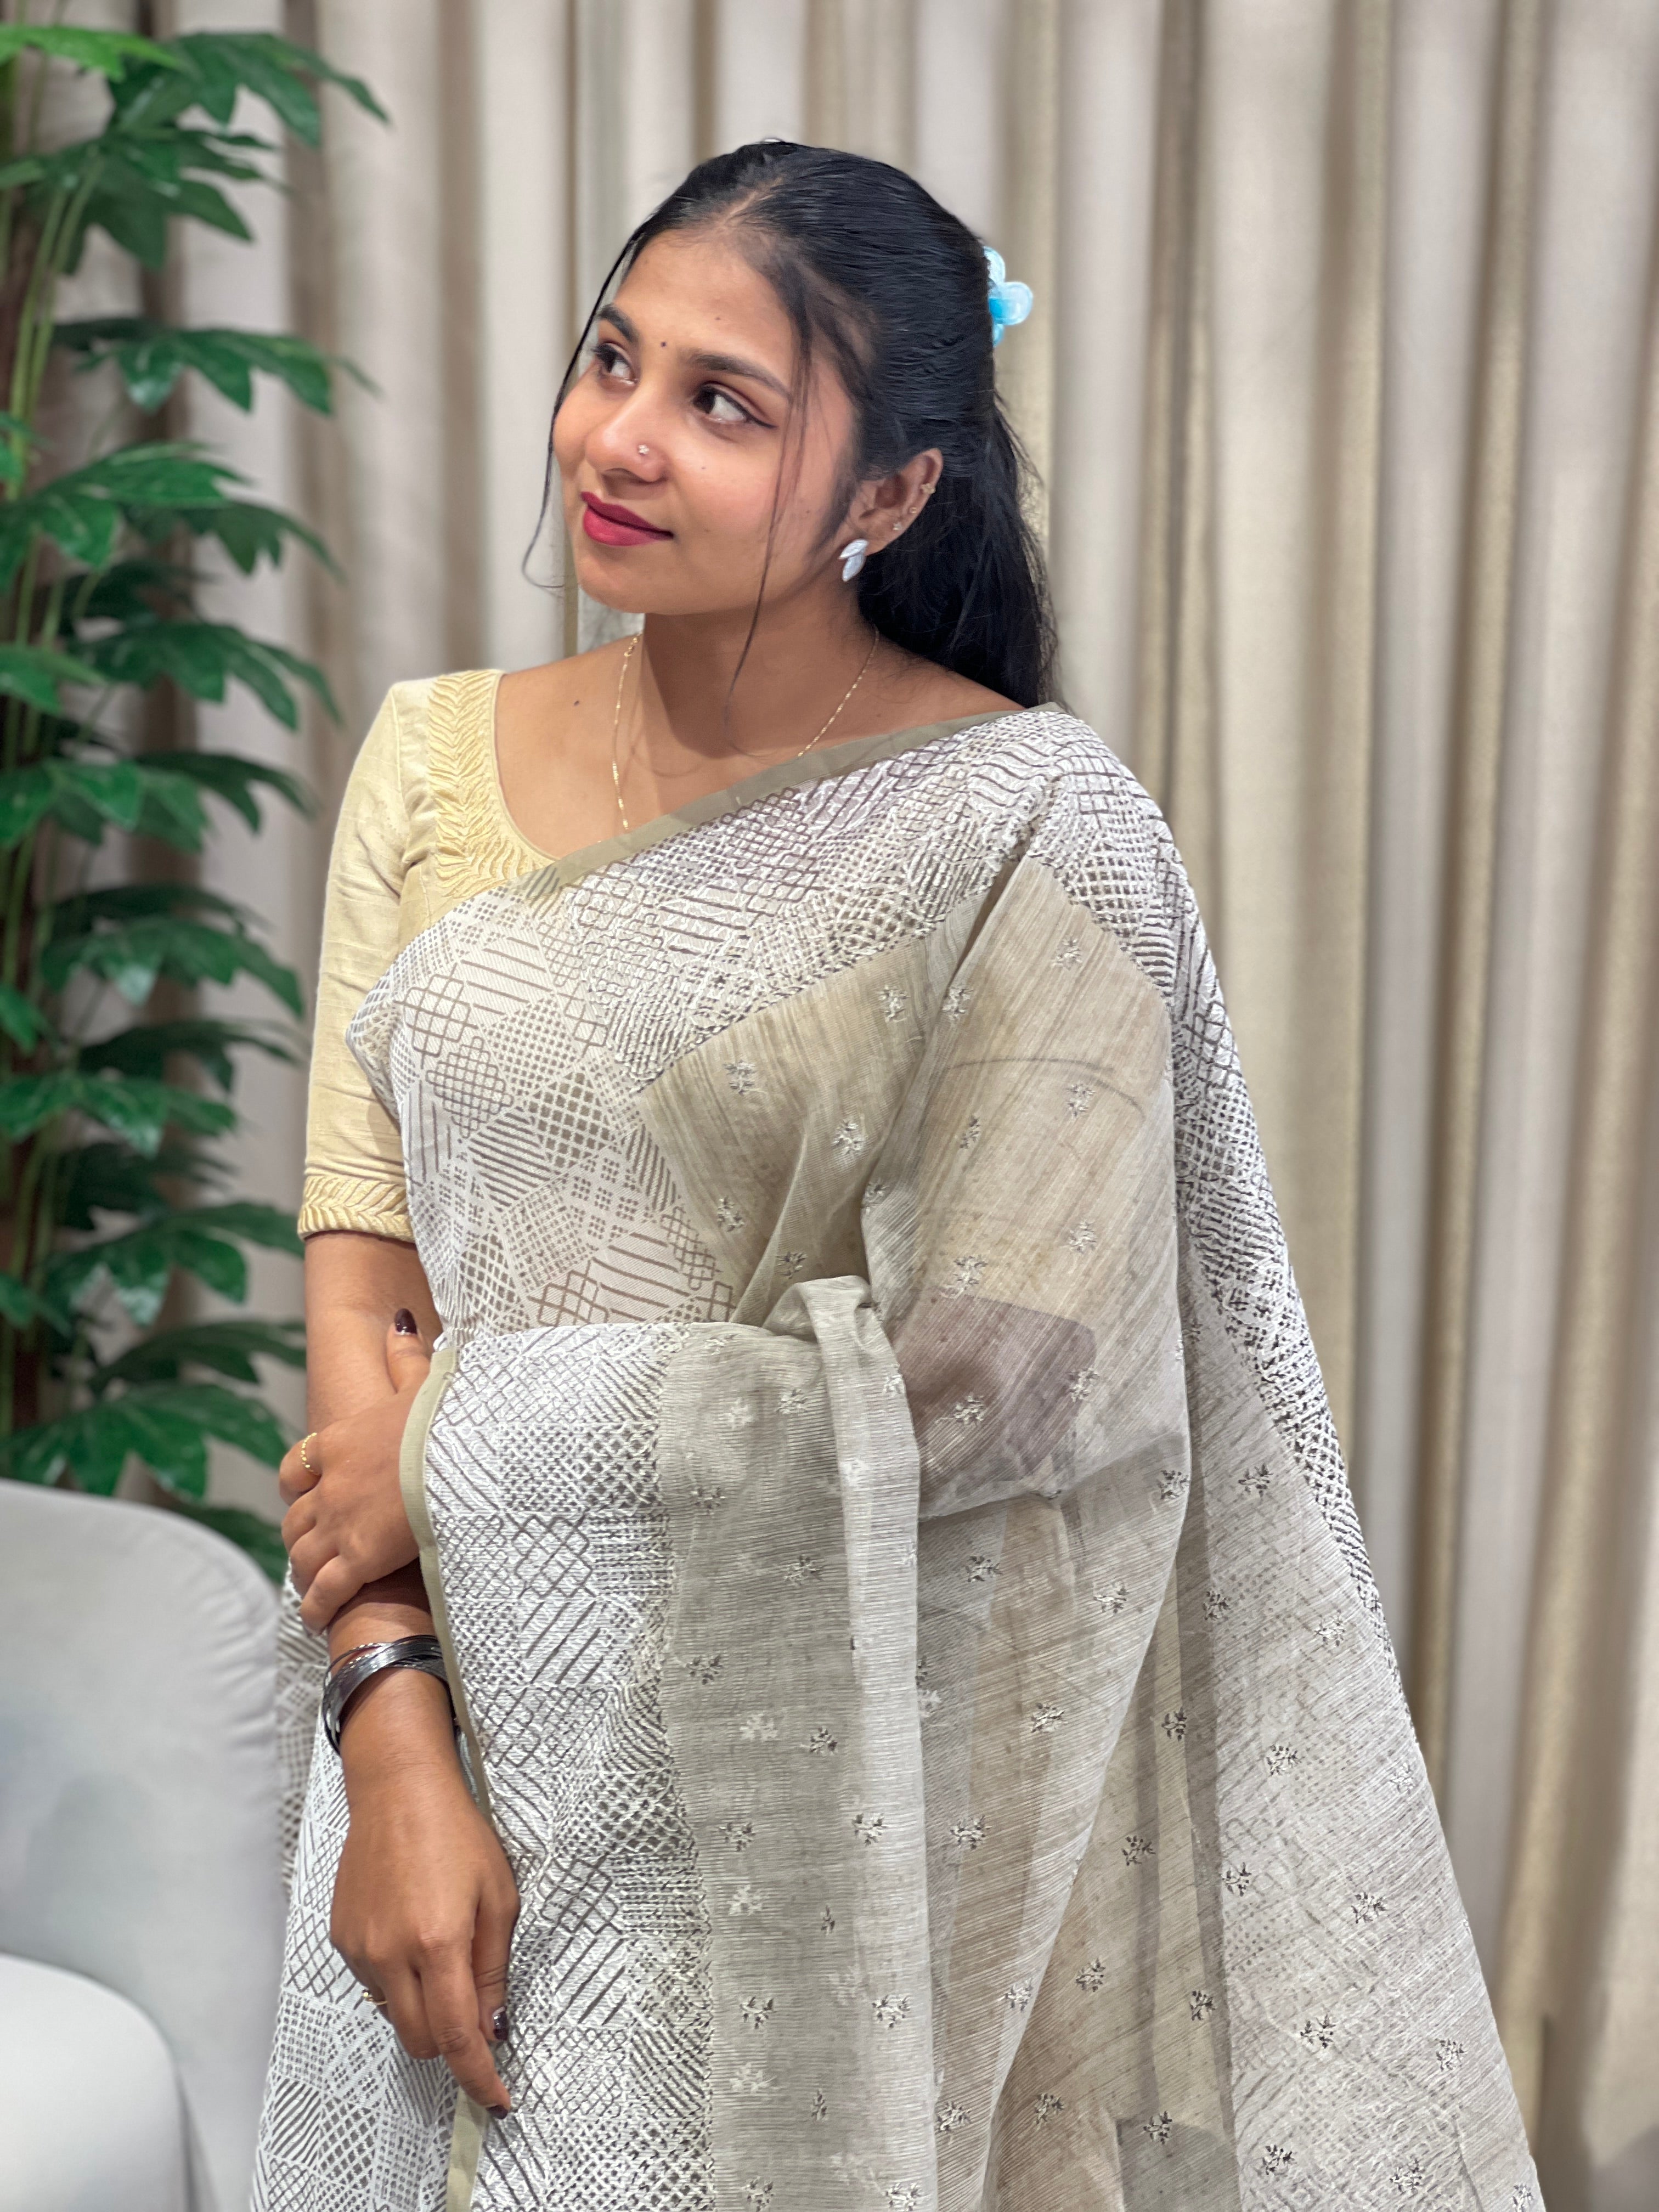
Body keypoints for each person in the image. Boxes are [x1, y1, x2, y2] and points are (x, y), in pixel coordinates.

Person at [253, 141, 1539, 2212]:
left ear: (891, 491)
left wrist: (462, 1450)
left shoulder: (1030, 828)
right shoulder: (425, 760)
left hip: (817, 1831)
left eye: (723, 403)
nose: (620, 438)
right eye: (612, 359)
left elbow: (1009, 1386)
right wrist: (392, 1735)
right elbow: (365, 1294)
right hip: (440, 1795)